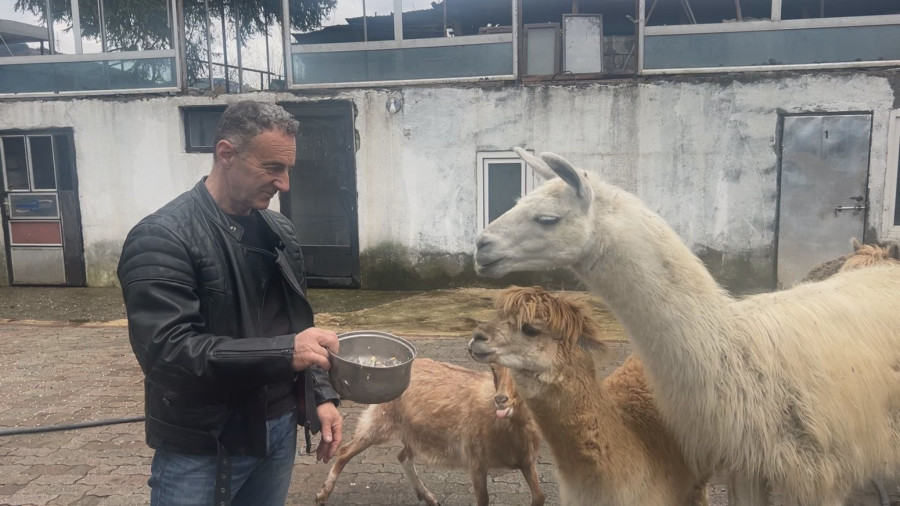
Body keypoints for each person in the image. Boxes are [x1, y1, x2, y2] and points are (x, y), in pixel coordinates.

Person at [117, 100, 343, 506]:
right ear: (226, 154)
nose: (284, 183)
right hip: (205, 445)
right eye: (273, 168)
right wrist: (286, 351)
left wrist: (320, 394)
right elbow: (167, 353)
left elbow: (293, 325)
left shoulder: (280, 231)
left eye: (287, 169)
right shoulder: (162, 238)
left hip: (276, 433)